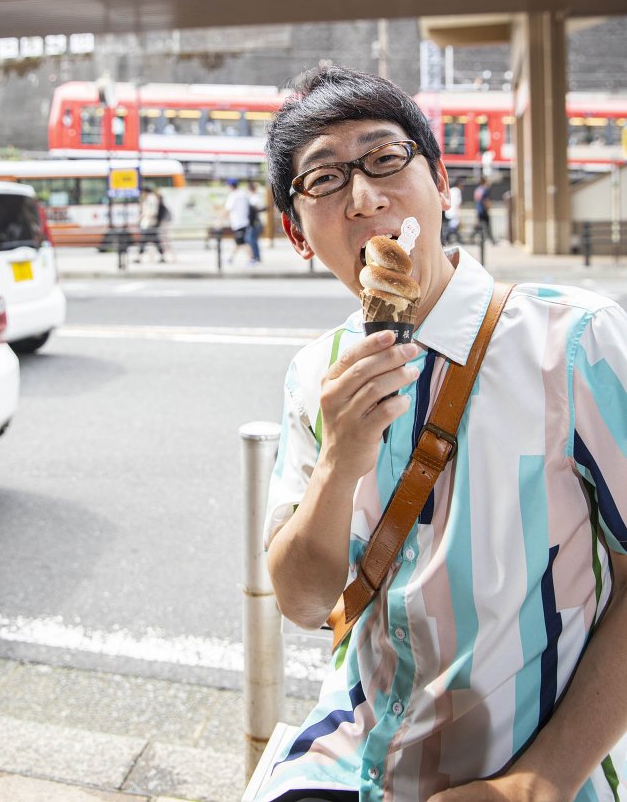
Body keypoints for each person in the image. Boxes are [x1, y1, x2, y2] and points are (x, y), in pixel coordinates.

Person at [251, 65, 627, 802]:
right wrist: (339, 459)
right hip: (350, 752)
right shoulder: (314, 374)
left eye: (386, 159)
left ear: (442, 181)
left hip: (537, 765)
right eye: (324, 180)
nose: (365, 197)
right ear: (297, 233)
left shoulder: (574, 341)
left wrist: (535, 783)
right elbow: (301, 602)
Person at [224, 179, 251, 265]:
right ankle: (230, 259)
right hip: (243, 222)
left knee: (241, 243)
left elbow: (227, 209)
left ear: (231, 186)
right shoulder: (243, 194)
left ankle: (252, 259)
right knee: (238, 242)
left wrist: (219, 220)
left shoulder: (233, 195)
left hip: (239, 223)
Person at [136, 185, 165, 262]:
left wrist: (144, 216)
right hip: (148, 223)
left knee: (144, 241)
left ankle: (139, 257)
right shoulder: (148, 199)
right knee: (155, 241)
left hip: (150, 223)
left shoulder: (151, 199)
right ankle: (162, 257)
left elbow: (153, 212)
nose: (142, 194)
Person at [246, 180, 265, 264]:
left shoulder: (256, 198)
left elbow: (258, 209)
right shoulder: (253, 197)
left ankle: (256, 257)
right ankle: (256, 256)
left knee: (251, 239)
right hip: (254, 221)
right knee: (252, 239)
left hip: (255, 222)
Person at [473, 176, 495, 244]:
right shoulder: (485, 190)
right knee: (487, 226)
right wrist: (488, 208)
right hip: (483, 210)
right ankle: (491, 240)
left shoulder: (477, 190)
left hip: (478, 210)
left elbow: (476, 200)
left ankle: (477, 238)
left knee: (480, 226)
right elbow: (486, 201)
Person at [443, 180, 462, 245]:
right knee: (453, 228)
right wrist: (458, 214)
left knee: (451, 227)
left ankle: (448, 240)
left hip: (448, 211)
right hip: (454, 212)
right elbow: (457, 203)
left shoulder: (451, 190)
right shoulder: (457, 191)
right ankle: (447, 239)